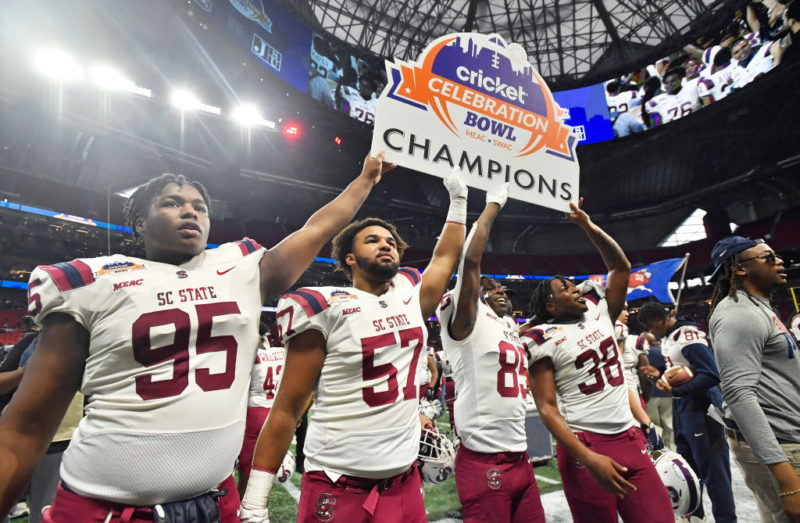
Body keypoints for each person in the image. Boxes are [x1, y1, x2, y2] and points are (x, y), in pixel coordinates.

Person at [0, 151, 394, 520]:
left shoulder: (241, 267)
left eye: (199, 206)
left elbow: (317, 228)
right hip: (109, 507)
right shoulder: (93, 280)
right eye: (171, 203)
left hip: (216, 501)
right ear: (140, 220)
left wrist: (366, 180)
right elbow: (26, 426)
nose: (189, 210)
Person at [239, 170, 468, 522]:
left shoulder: (409, 292)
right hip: (338, 482)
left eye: (391, 240)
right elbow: (287, 408)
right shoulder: (324, 306)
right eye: (372, 240)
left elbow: (445, 258)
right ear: (349, 258)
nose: (386, 243)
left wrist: (458, 202)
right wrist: (255, 501)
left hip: (404, 480)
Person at [523, 199, 671, 523]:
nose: (576, 290)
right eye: (565, 289)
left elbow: (621, 267)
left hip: (629, 438)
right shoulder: (541, 337)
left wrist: (586, 225)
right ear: (549, 306)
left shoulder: (599, 311)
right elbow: (546, 406)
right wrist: (589, 457)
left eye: (573, 284)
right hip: (584, 445)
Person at [437, 185, 545, 522]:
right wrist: (493, 205)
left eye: (503, 289)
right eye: (491, 288)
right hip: (485, 458)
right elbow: (470, 262)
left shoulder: (507, 325)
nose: (499, 291)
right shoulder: (470, 319)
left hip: (519, 455)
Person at [707, 236, 800, 522]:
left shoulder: (756, 306)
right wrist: (785, 477)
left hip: (785, 437)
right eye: (768, 257)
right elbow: (738, 394)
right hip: (781, 445)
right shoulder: (739, 313)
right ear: (739, 269)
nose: (779, 261)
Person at [638, 302, 737, 523]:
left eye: (650, 326)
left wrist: (676, 389)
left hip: (701, 410)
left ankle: (726, 520)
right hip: (682, 409)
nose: (651, 332)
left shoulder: (686, 335)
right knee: (687, 472)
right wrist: (660, 374)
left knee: (714, 473)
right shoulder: (669, 337)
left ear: (657, 320)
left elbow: (710, 374)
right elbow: (679, 370)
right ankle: (695, 517)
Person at [237, 323, 286, 497]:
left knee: (246, 473)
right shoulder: (281, 353)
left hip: (254, 414)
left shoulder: (253, 356)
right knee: (264, 472)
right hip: (275, 414)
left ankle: (241, 511)